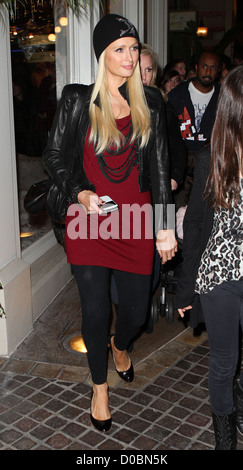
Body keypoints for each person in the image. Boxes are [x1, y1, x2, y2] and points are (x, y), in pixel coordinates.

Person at [43, 14, 177, 433]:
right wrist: (79, 194)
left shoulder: (151, 102)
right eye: (120, 49)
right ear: (103, 55)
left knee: (136, 312)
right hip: (89, 221)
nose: (130, 56)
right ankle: (99, 389)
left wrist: (166, 224)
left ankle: (122, 346)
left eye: (134, 48)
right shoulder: (76, 99)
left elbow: (160, 169)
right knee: (96, 310)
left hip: (135, 221)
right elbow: (53, 155)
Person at [176, 65, 243, 450]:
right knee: (224, 360)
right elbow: (197, 228)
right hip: (222, 272)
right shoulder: (211, 160)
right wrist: (186, 289)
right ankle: (225, 440)